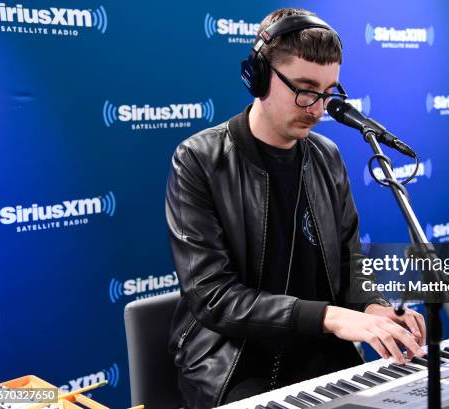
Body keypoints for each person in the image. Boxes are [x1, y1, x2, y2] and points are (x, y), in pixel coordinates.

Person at [165, 8, 426, 409]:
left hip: (321, 352)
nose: (318, 109)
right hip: (235, 363)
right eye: (305, 90)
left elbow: (350, 265)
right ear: (260, 76)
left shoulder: (327, 155)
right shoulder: (199, 159)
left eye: (328, 92)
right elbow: (212, 296)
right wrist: (334, 318)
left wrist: (375, 308)